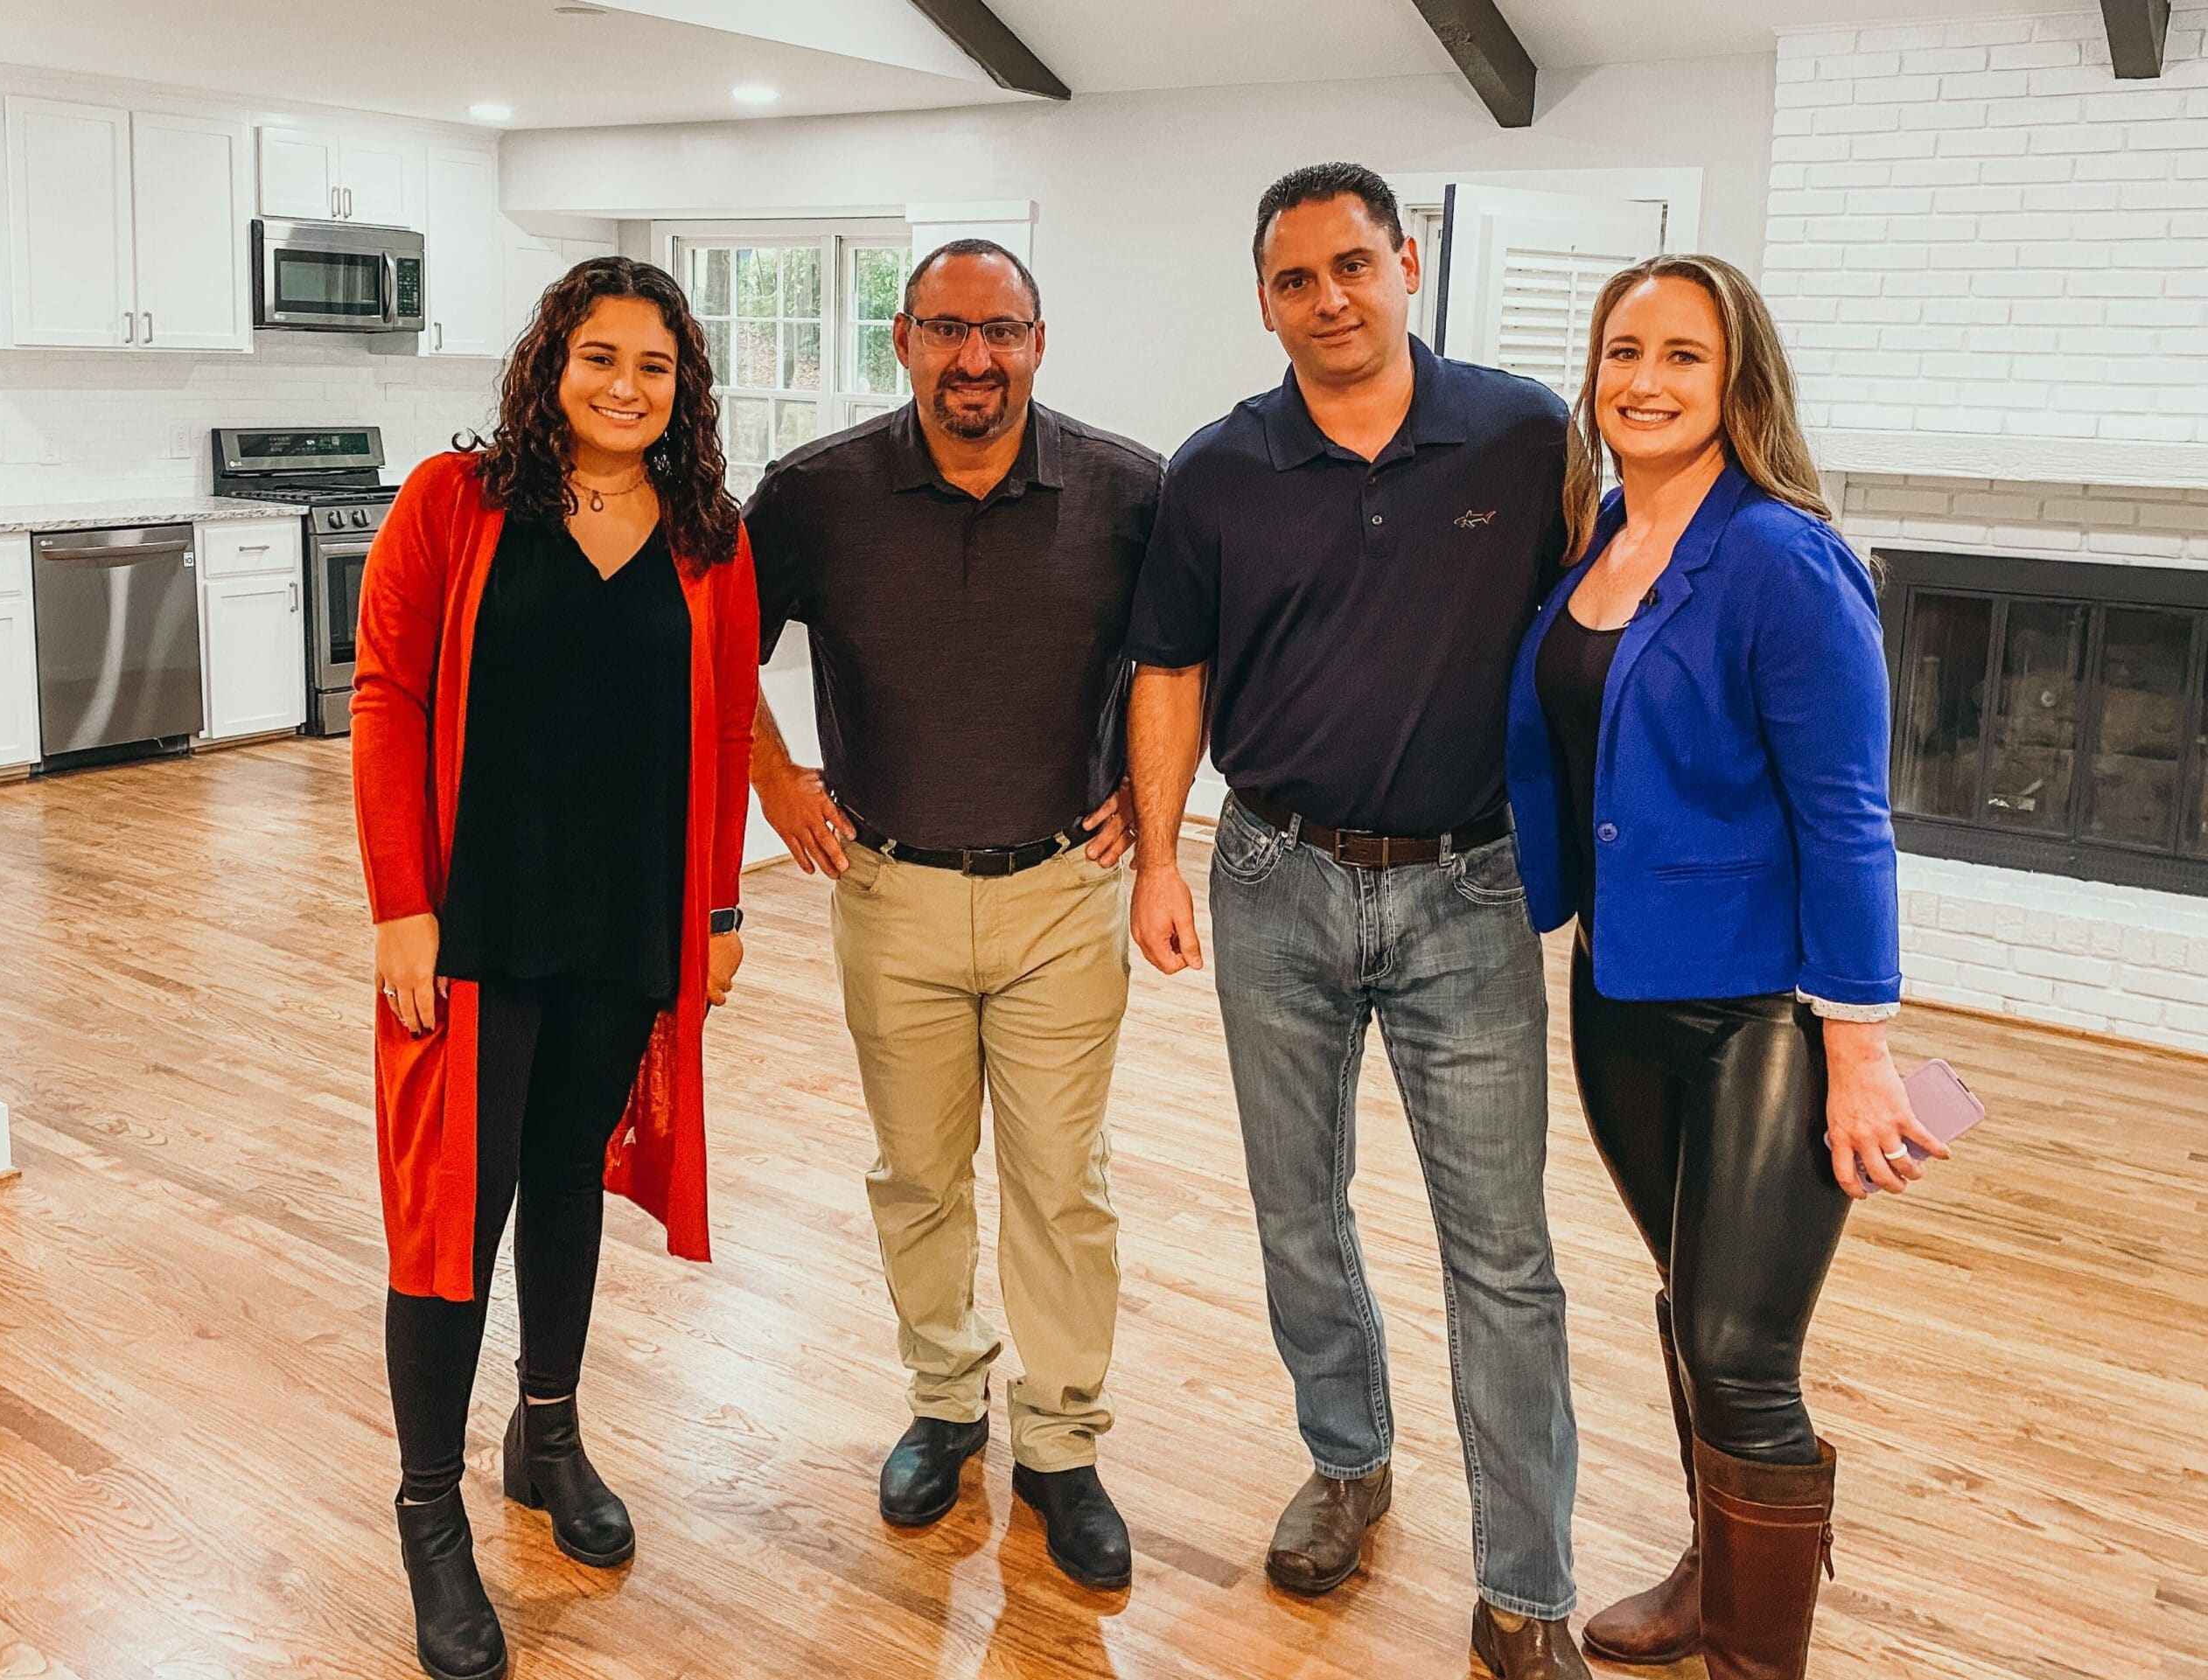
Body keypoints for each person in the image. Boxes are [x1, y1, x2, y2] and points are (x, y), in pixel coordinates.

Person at [1127, 164, 1587, 1680]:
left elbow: (1594, 618)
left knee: (1503, 1252)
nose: (1327, 298)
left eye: (1351, 266)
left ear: (1405, 264)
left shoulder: (1524, 436)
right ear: (1265, 299)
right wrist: (1157, 855)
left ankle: (1526, 1585)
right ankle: (1349, 1457)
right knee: (1296, 1209)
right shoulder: (1218, 471)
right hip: (1276, 875)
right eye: (1293, 279)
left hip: (1470, 885)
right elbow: (1173, 671)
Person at [1504, 253, 1944, 1679]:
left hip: (1762, 1011)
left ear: (1738, 378)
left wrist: (1859, 1048)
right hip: (1620, 989)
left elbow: (1847, 814)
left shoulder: (1783, 555)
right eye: (1622, 351)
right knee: (1692, 1305)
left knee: (1743, 1349)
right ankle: (1715, 1579)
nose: (1644, 379)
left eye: (1683, 355)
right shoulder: (1600, 537)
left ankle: (1758, 1659)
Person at [353, 256, 758, 1680]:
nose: (625, 386)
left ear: (681, 390)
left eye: (652, 366)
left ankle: (551, 1430)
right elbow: (390, 697)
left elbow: (720, 734)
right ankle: (429, 1513)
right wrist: (401, 904)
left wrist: (716, 912)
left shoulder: (707, 531)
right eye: (600, 357)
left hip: (623, 919)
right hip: (475, 920)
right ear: (552, 363)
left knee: (569, 1173)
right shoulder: (452, 503)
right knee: (455, 1204)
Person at [745, 239, 1161, 1590]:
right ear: (904, 342)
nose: (975, 359)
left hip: (1060, 893)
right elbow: (704, 646)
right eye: (945, 331)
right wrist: (776, 781)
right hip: (891, 889)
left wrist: (1164, 803)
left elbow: (1190, 659)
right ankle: (943, 1403)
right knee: (917, 1174)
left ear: (1041, 340)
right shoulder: (815, 496)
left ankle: (1060, 1442)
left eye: (1002, 332)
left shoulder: (1129, 491)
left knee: (1061, 1184)